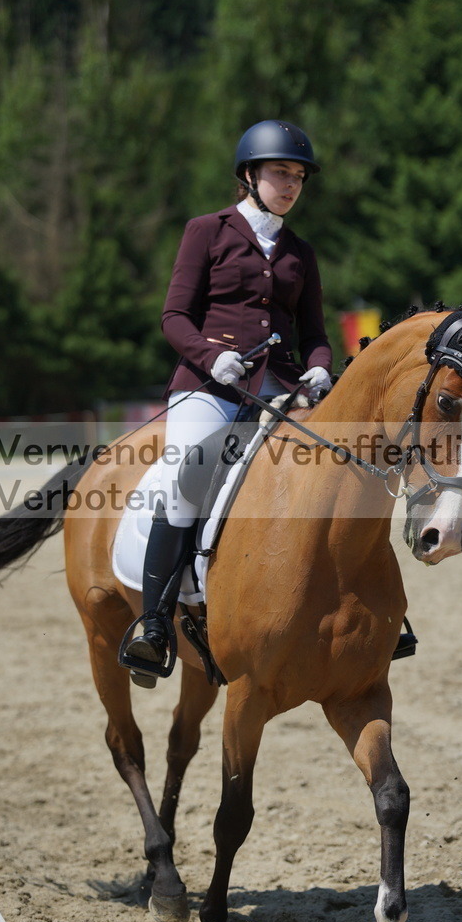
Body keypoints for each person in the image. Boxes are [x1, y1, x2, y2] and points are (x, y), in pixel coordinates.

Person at [123, 119, 333, 687]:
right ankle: (154, 624)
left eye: (298, 177)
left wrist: (318, 365)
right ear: (248, 175)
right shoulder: (206, 231)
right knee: (188, 479)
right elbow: (174, 316)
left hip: (279, 387)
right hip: (208, 386)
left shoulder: (301, 252)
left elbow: (312, 329)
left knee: (336, 471)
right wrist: (210, 358)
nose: (290, 185)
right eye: (279, 173)